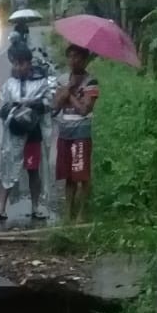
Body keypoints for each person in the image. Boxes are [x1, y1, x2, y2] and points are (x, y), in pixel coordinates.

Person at [0, 45, 52, 223]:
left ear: (29, 63)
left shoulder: (41, 82)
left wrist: (34, 104)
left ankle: (36, 205)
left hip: (33, 132)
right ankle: (0, 206)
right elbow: (0, 108)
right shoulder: (9, 84)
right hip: (14, 132)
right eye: (15, 63)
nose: (17, 67)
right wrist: (13, 106)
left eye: (21, 63)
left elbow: (49, 103)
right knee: (8, 167)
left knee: (33, 170)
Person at [53, 44, 100, 222]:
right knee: (69, 176)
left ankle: (82, 212)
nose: (74, 61)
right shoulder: (62, 79)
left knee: (82, 174)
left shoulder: (91, 82)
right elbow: (55, 105)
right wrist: (67, 91)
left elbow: (84, 109)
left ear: (85, 60)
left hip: (81, 131)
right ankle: (68, 211)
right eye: (71, 57)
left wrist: (69, 93)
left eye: (78, 57)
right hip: (65, 132)